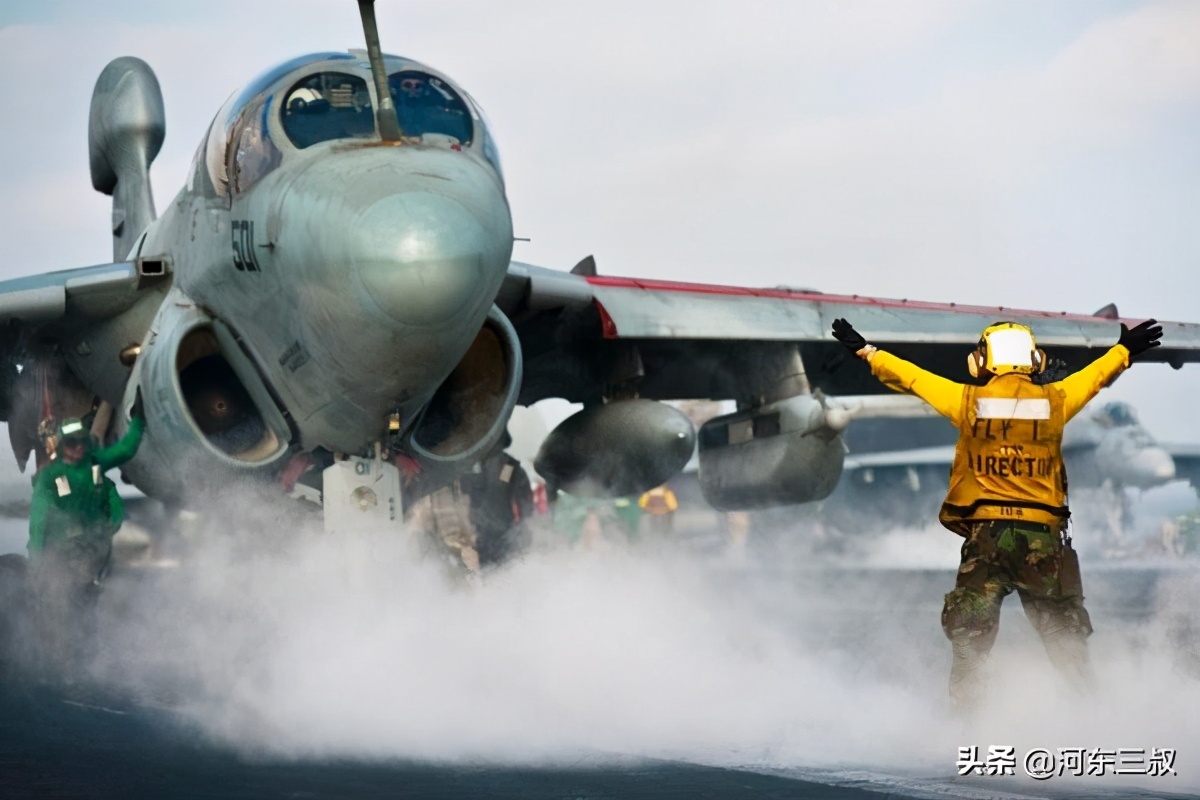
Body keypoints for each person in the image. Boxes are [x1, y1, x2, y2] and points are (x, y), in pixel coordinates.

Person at [830, 316, 1163, 709]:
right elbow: (1096, 377)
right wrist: (1124, 350)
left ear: (983, 361)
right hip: (1042, 540)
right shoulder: (1055, 401)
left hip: (986, 540)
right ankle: (1095, 717)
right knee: (1063, 634)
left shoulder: (968, 401)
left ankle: (965, 726)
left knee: (970, 637)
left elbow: (911, 377)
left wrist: (866, 351)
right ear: (1034, 360)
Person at [27, 397, 146, 671]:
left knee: (85, 604)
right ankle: (61, 659)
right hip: (62, 554)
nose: (78, 448)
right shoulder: (52, 478)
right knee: (63, 604)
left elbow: (125, 451)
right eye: (71, 444)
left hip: (92, 552)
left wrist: (139, 419)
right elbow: (39, 519)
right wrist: (36, 555)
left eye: (81, 442)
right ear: (63, 447)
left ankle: (78, 659)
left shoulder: (95, 466)